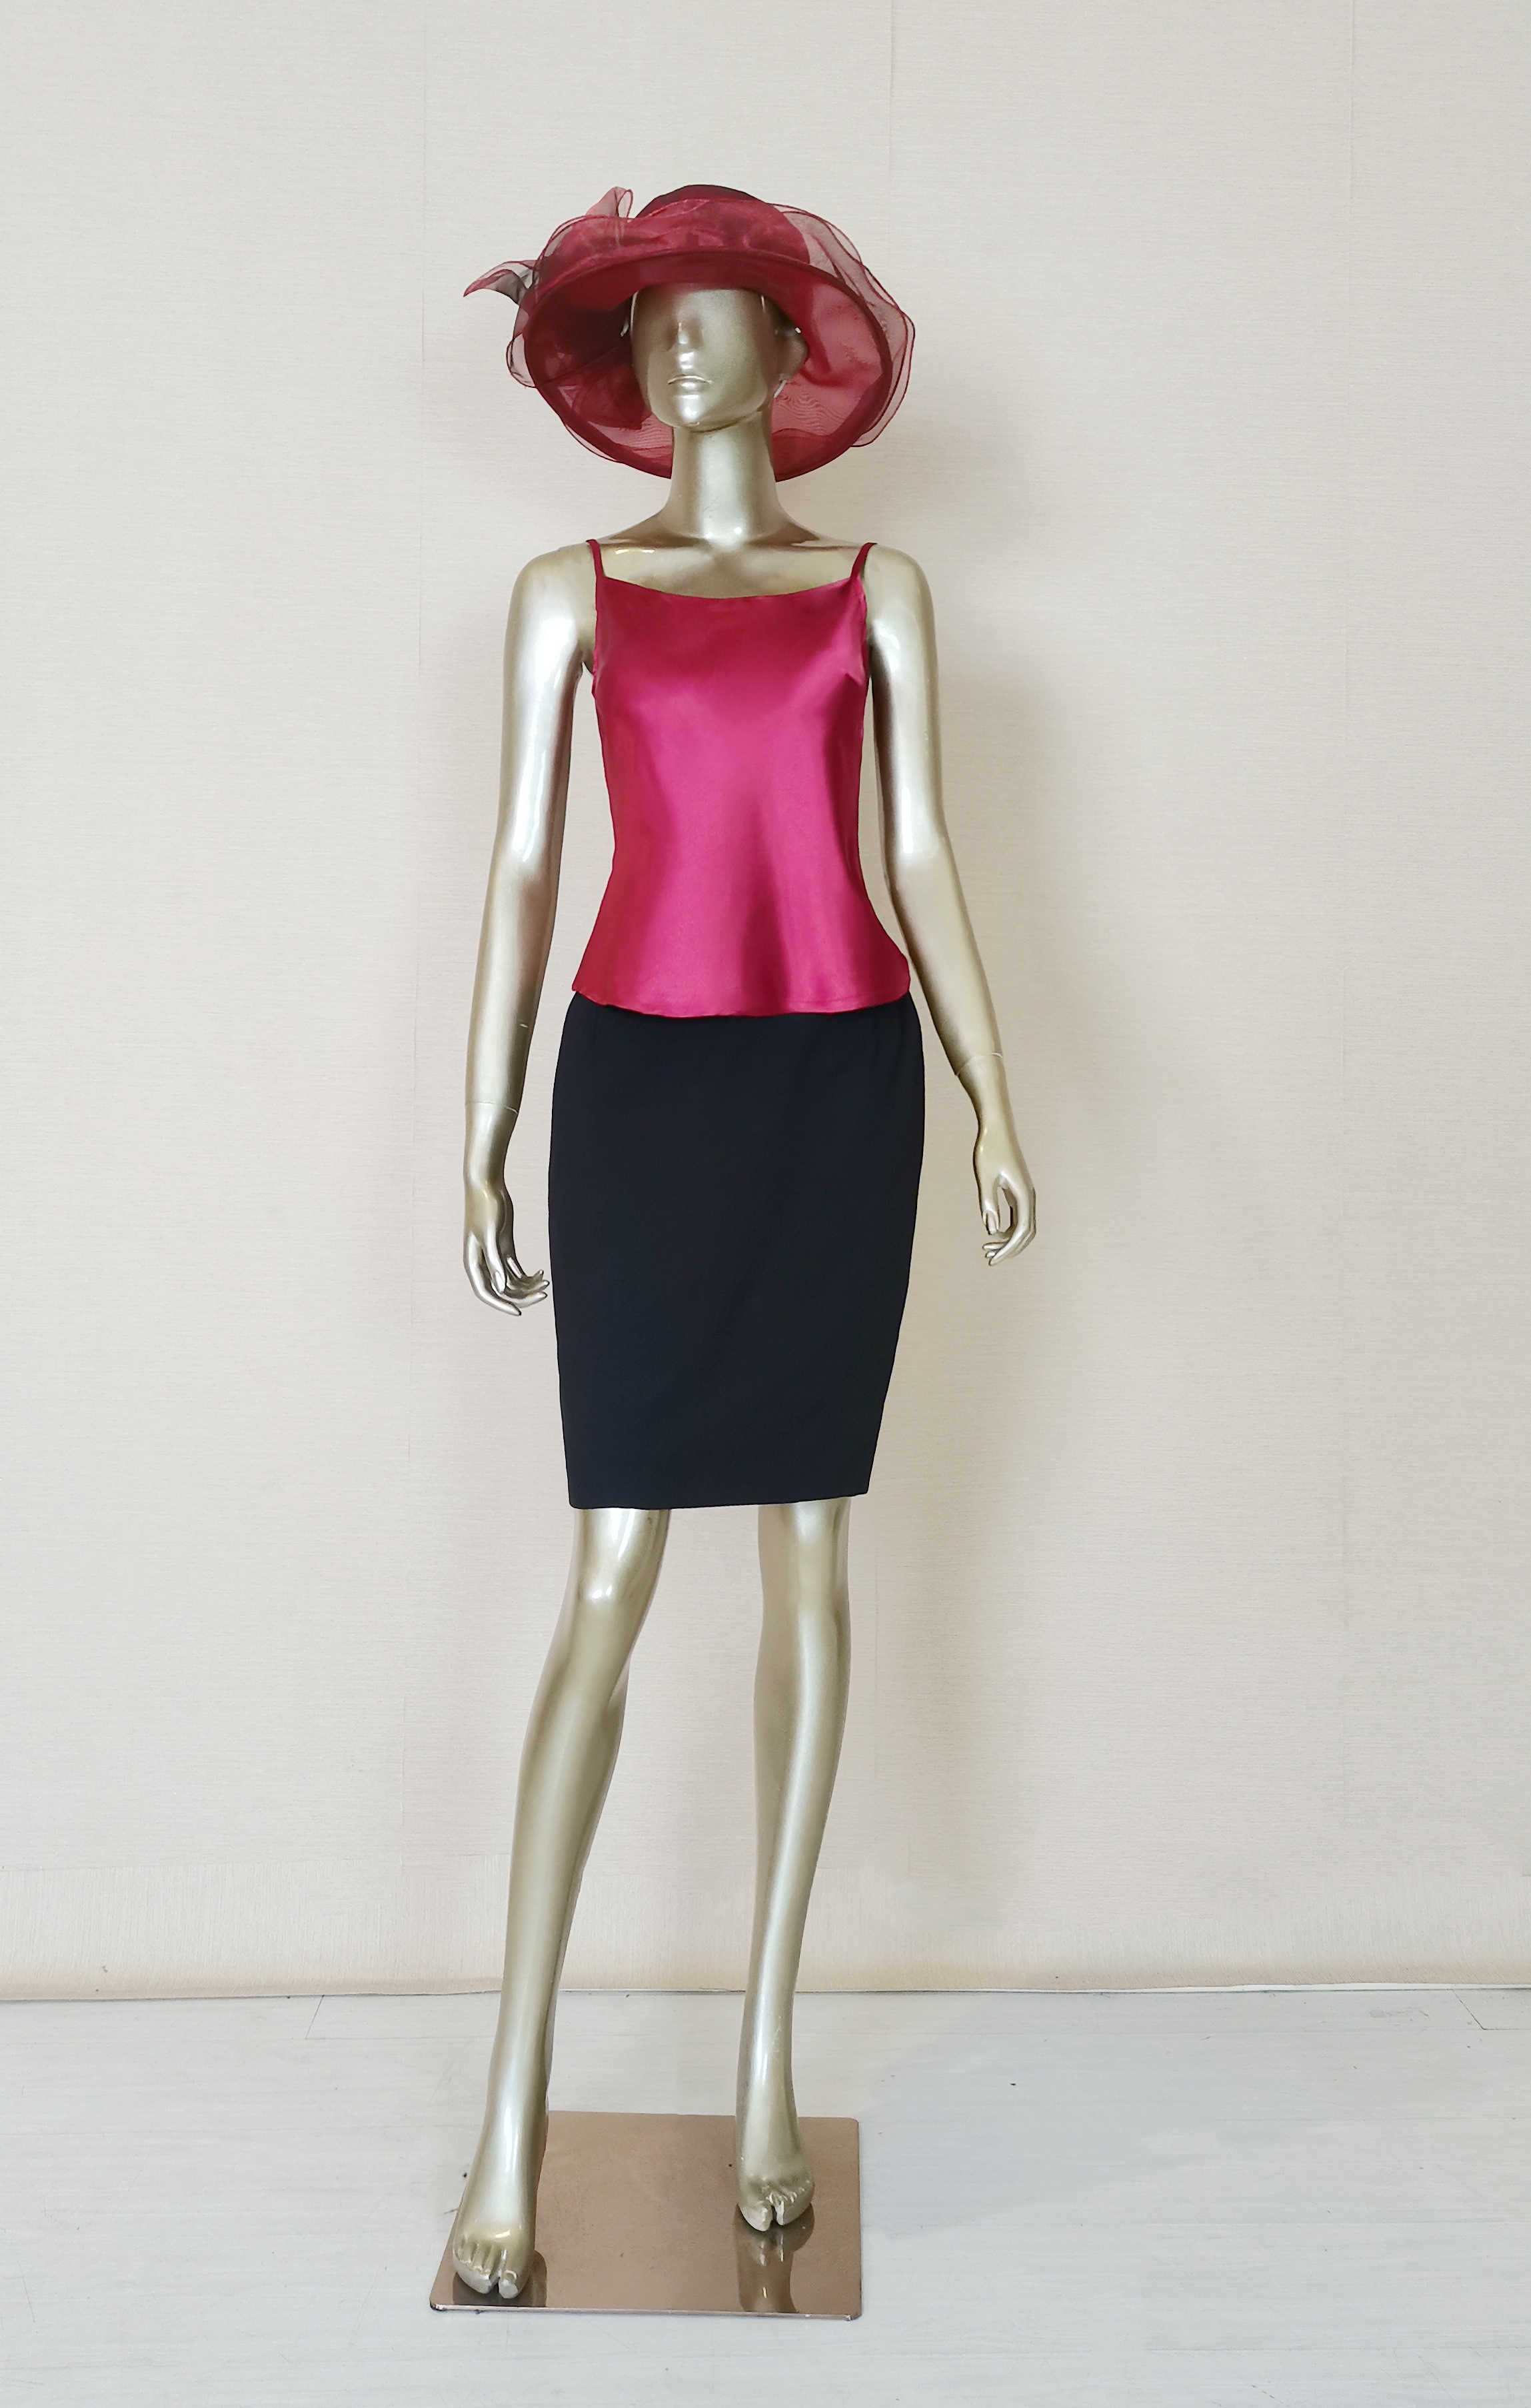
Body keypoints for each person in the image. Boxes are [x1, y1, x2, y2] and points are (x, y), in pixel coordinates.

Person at [450, 183, 1034, 2300]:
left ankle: (769, 2057)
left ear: (797, 355)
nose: (684, 349)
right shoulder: (568, 592)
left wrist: (990, 1089)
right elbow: (523, 868)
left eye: (722, 317)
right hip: (640, 1088)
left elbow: (920, 848)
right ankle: (507, 2119)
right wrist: (481, 1123)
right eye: (653, 321)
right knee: (610, 1575)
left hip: (835, 1085)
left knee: (810, 1550)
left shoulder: (877, 590)